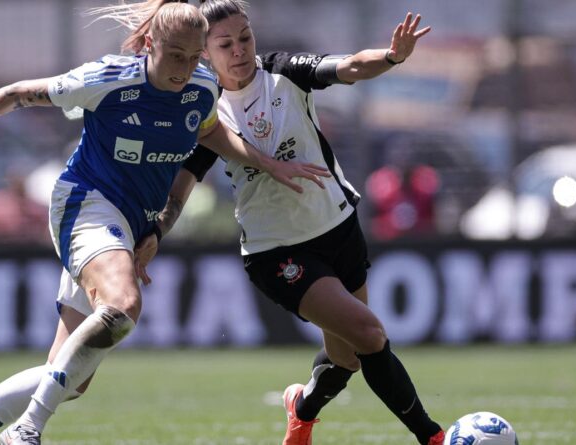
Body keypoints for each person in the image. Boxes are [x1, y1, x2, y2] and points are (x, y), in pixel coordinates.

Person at [0, 2, 329, 444]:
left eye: (194, 57)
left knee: (70, 378)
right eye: (175, 56)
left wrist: (265, 164)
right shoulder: (108, 79)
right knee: (124, 305)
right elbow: (18, 93)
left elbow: (209, 132)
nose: (185, 68)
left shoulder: (203, 86)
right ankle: (26, 430)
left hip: (128, 225)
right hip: (86, 205)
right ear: (149, 44)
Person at [132, 2, 445, 444]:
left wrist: (392, 57)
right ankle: (433, 437)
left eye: (245, 38)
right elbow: (179, 191)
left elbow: (351, 66)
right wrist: (157, 232)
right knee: (369, 333)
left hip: (338, 228)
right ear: (205, 53)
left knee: (347, 358)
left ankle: (301, 410)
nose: (239, 50)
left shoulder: (283, 71)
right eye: (226, 44)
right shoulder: (205, 109)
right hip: (278, 251)